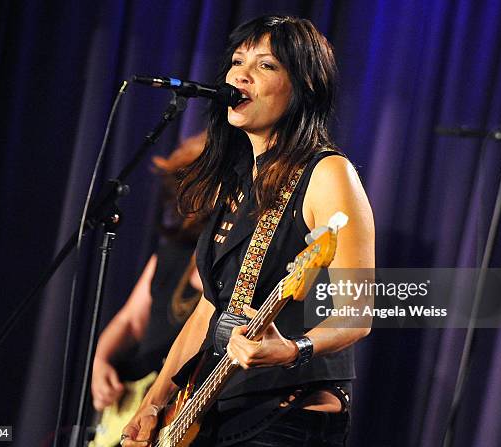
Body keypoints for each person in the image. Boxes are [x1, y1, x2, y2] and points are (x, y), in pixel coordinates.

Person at [122, 15, 375, 447]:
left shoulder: (328, 174)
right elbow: (208, 309)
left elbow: (359, 313)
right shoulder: (237, 179)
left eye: (266, 66)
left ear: (306, 87)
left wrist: (294, 349)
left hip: (288, 413)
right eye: (238, 61)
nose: (240, 74)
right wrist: (153, 402)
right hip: (216, 405)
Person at [91, 132, 206, 413]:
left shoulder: (241, 266)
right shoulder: (169, 256)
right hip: (133, 403)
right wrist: (100, 362)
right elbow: (130, 321)